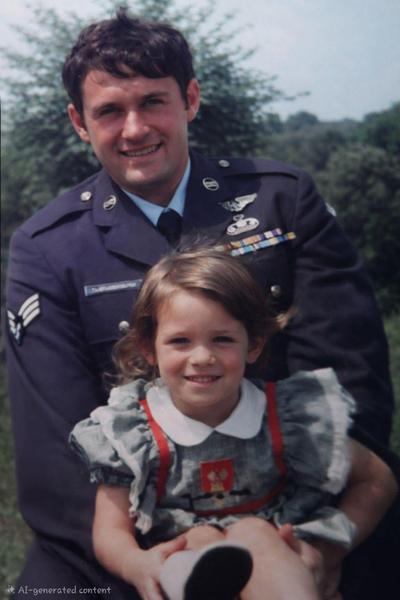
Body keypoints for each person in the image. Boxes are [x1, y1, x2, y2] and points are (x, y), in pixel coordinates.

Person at [4, 8, 399, 600]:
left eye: (153, 101)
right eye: (109, 111)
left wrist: (316, 548)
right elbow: (56, 451)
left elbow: (351, 384)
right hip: (132, 533)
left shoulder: (283, 202)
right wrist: (146, 565)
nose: (135, 128)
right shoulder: (46, 247)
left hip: (299, 511)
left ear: (189, 99)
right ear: (79, 123)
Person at [69, 247, 396, 600]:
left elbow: (377, 479)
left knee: (256, 534)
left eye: (222, 339)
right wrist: (137, 564)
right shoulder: (135, 432)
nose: (202, 357)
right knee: (199, 543)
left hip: (277, 555)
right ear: (149, 348)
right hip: (184, 555)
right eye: (180, 341)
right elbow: (110, 531)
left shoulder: (285, 416)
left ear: (253, 344)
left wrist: (326, 553)